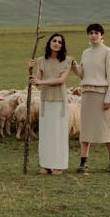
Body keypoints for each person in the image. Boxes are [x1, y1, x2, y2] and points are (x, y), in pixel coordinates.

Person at [71, 23, 110, 173]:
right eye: (90, 32)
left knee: (106, 129)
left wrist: (109, 98)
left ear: (102, 35)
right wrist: (73, 66)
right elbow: (82, 74)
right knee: (86, 129)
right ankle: (83, 162)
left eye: (96, 32)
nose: (93, 35)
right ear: (88, 35)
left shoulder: (107, 51)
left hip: (101, 94)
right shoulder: (85, 53)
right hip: (87, 94)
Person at [29, 33, 73, 175]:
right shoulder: (41, 61)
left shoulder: (67, 61)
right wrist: (29, 70)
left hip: (59, 101)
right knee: (46, 133)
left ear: (62, 45)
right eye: (54, 40)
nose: (56, 43)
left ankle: (58, 165)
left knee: (59, 133)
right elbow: (36, 80)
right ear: (49, 43)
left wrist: (42, 82)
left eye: (60, 42)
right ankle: (46, 164)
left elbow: (61, 80)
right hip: (46, 100)